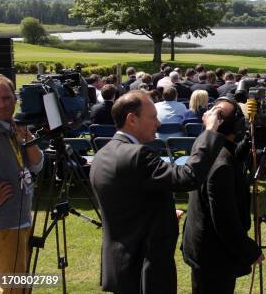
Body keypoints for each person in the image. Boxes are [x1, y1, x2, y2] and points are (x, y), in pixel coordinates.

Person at [89, 90, 225, 293]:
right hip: (146, 271)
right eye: (153, 117)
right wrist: (210, 131)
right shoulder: (138, 155)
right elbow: (188, 177)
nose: (158, 124)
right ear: (132, 119)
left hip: (120, 266)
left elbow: (129, 202)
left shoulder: (102, 154)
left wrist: (163, 217)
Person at [182, 97, 263, 293]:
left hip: (205, 248)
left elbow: (235, 153)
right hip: (213, 254)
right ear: (236, 126)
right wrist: (250, 251)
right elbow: (224, 220)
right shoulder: (221, 165)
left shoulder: (205, 145)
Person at [0, 76, 44, 293]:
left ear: (15, 99)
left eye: (6, 98)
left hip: (20, 216)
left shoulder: (14, 127)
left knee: (21, 285)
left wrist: (27, 140)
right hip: (4, 222)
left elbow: (38, 164)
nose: (2, 104)